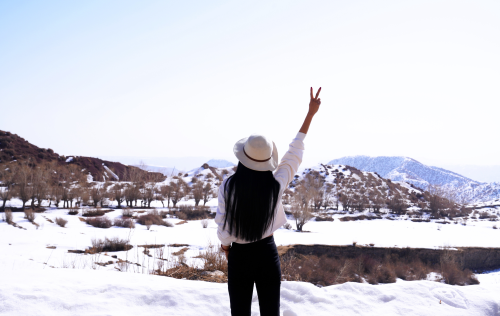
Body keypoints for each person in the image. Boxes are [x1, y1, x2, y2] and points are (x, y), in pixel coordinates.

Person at [215, 87, 322, 316]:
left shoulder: (228, 186)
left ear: (243, 157)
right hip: (266, 253)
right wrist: (310, 115)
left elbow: (223, 228)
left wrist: (226, 248)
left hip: (239, 256)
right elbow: (294, 153)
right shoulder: (275, 185)